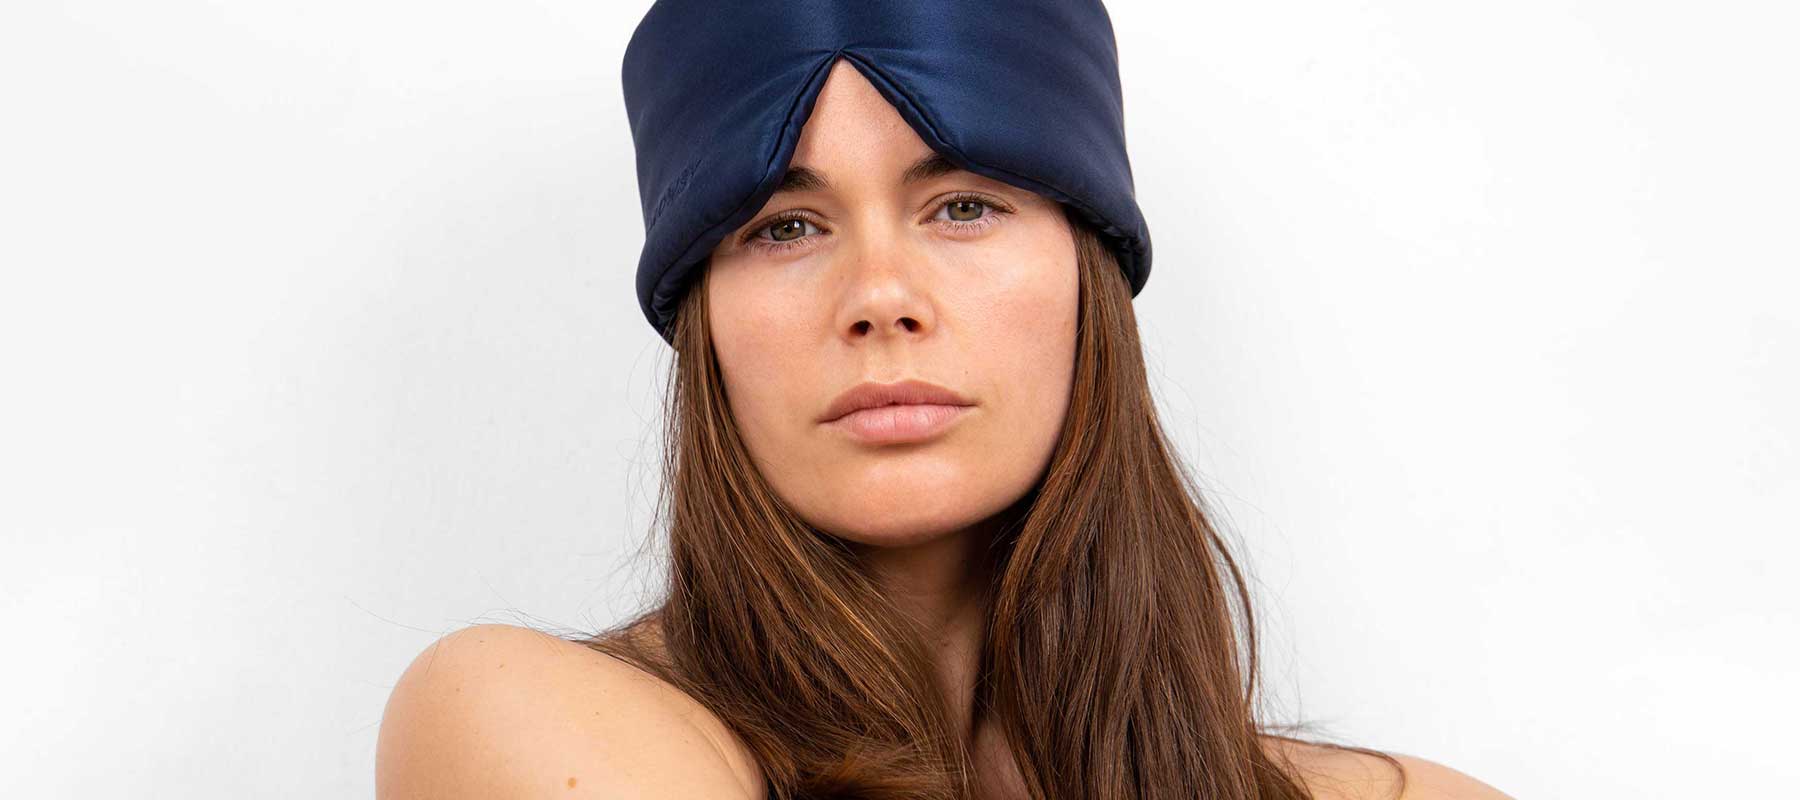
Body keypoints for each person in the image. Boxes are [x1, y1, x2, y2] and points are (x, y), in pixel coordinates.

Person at [376, 3, 1516, 798]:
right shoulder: (520, 720)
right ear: (704, 325)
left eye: (964, 206)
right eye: (785, 227)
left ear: (1088, 275)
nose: (880, 295)